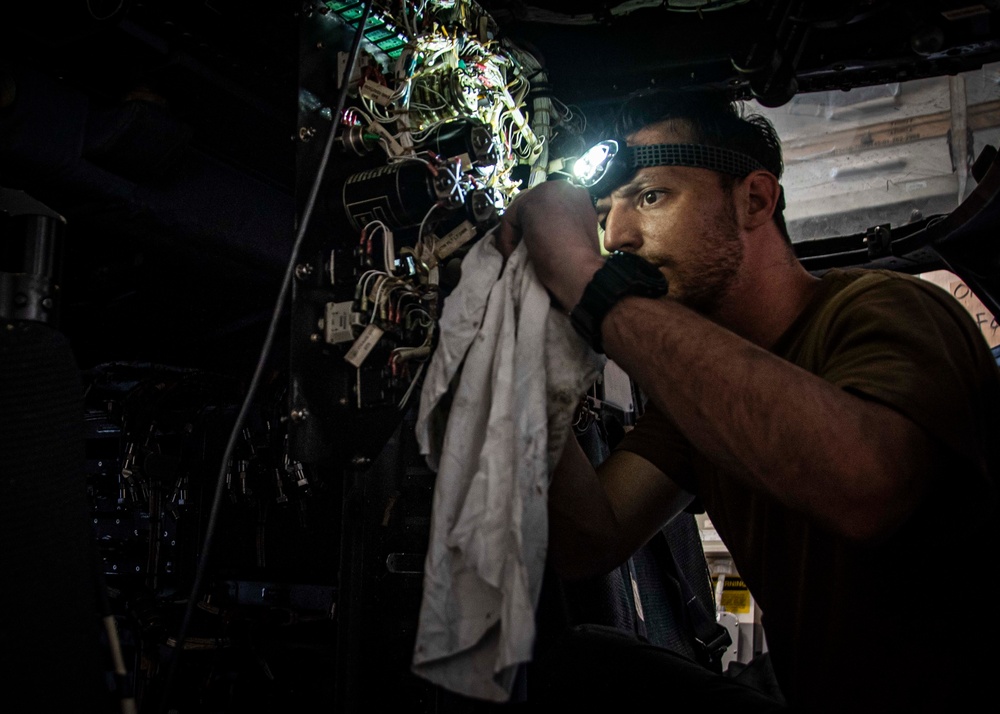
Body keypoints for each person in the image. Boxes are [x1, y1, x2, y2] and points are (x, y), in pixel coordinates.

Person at [498, 89, 1000, 711]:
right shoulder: (695, 394)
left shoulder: (883, 309)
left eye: (651, 196)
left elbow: (869, 484)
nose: (617, 235)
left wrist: (585, 279)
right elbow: (588, 540)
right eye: (602, 215)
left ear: (755, 200)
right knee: (579, 663)